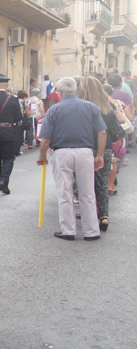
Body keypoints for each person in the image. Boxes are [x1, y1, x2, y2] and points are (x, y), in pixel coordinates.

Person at [37, 77, 106, 241]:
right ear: (75, 89)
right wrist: (100, 155)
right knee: (87, 193)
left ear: (59, 92)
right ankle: (91, 231)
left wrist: (42, 157)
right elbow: (102, 133)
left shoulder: (54, 110)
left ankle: (68, 231)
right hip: (85, 151)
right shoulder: (90, 107)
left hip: (62, 153)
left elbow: (45, 139)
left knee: (65, 193)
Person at [78, 76, 122, 232]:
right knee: (102, 182)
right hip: (105, 147)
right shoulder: (108, 105)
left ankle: (88, 214)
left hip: (86, 146)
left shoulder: (82, 106)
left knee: (85, 182)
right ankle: (103, 216)